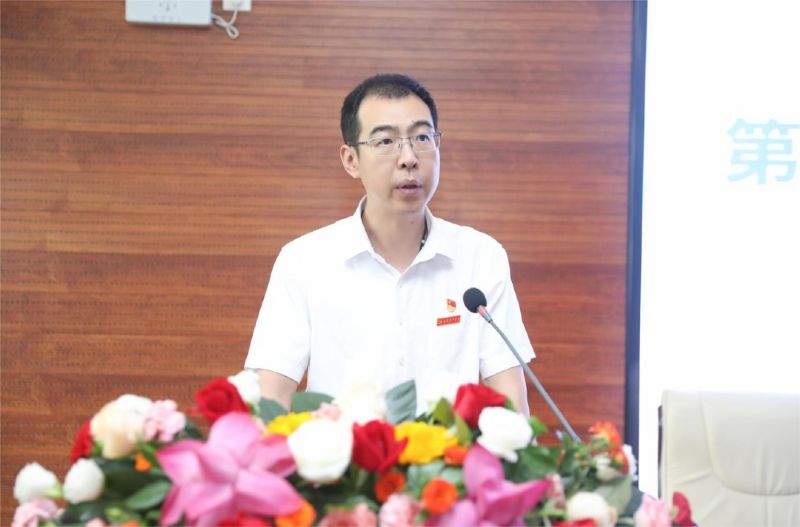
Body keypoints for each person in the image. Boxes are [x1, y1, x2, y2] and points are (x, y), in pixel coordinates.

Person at [244, 74, 534, 414]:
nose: (409, 157)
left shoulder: (480, 257)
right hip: (345, 451)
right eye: (385, 141)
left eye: (422, 137)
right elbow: (271, 399)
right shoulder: (304, 261)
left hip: (446, 450)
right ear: (351, 160)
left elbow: (511, 402)